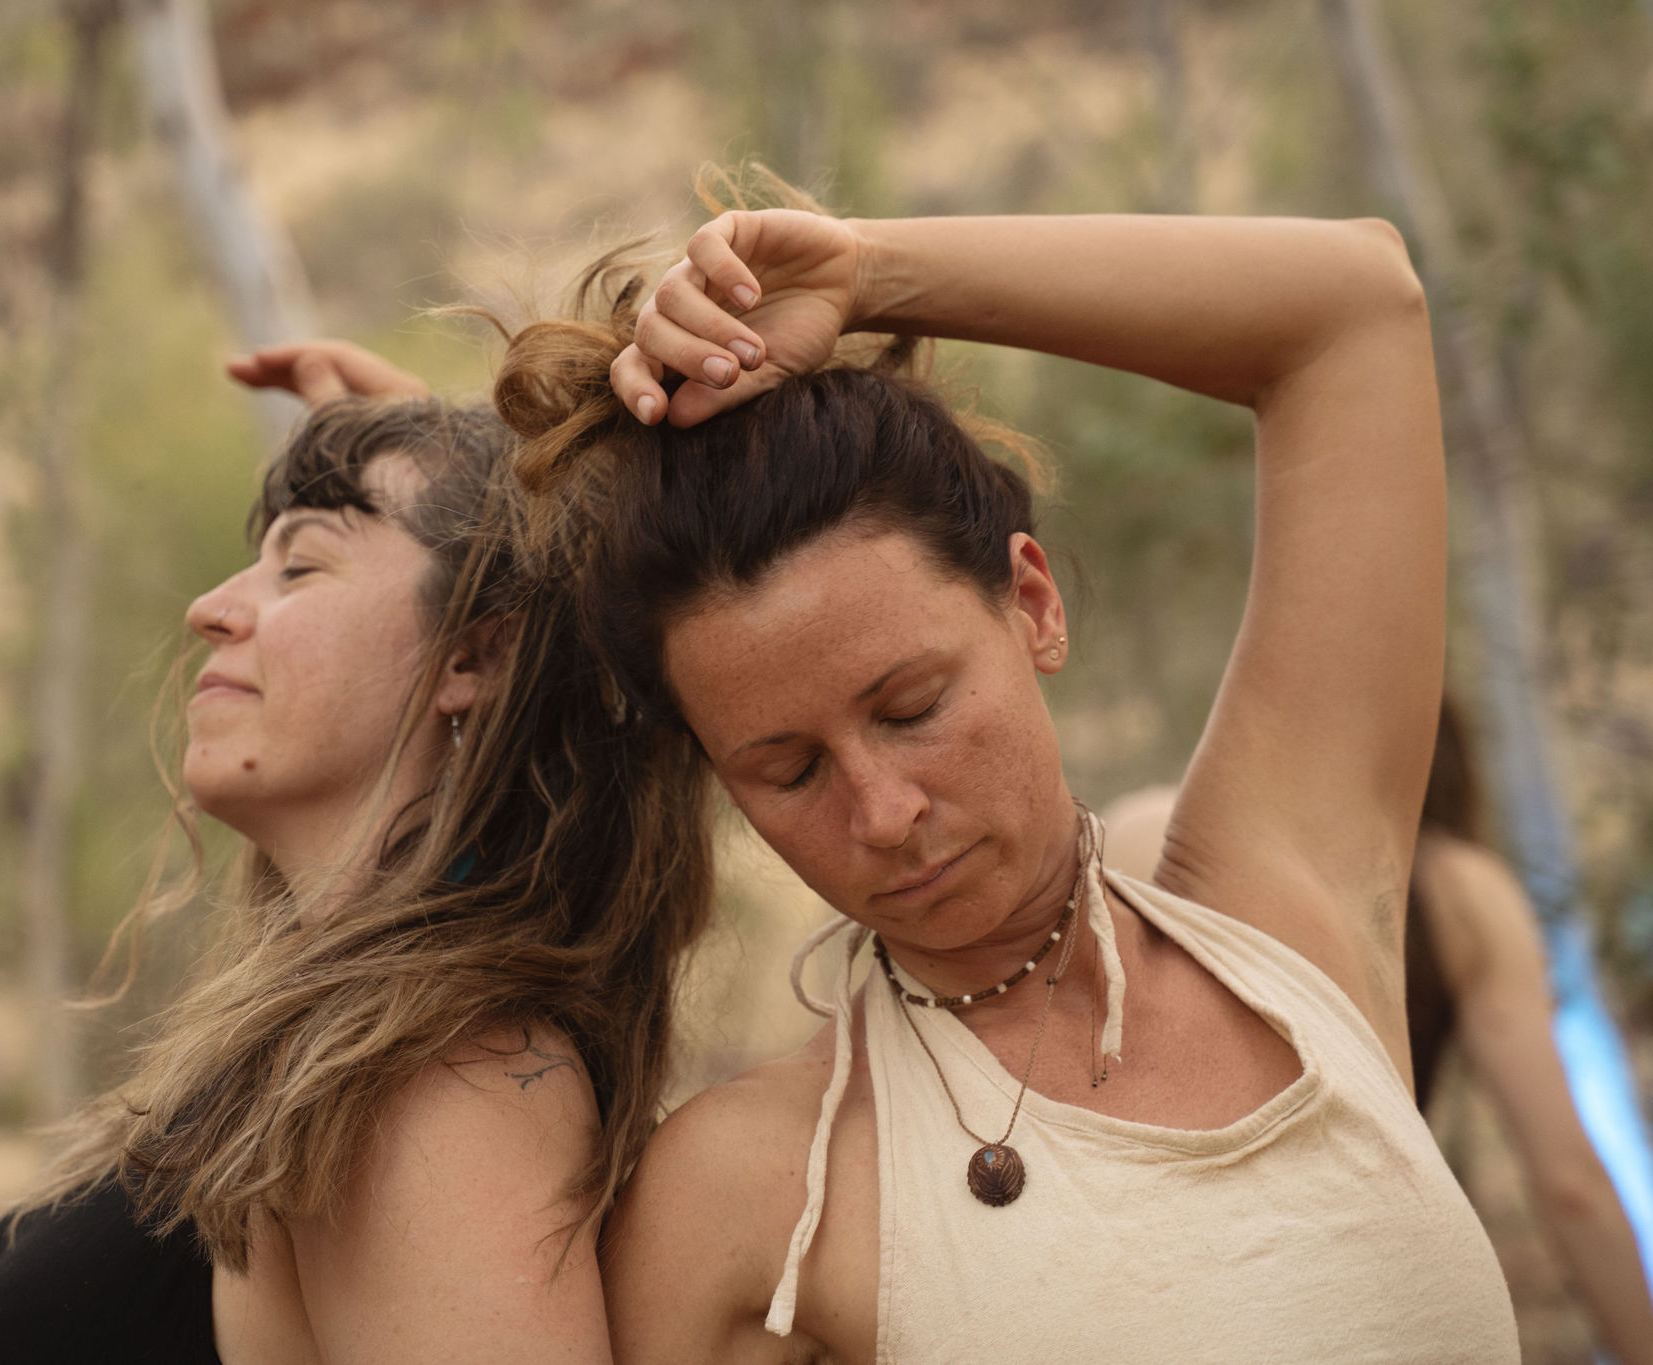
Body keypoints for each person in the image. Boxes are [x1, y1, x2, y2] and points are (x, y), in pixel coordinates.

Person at [495, 191, 1521, 1360]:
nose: (883, 815)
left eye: (913, 706)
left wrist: (867, 269)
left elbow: (1351, 306)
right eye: (784, 773)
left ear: (1030, 602)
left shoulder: (1289, 924)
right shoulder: (757, 1195)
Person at [0, 341, 714, 1365]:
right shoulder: (356, 1059)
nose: (210, 608)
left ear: (474, 654)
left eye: (298, 565)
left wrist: (474, 483)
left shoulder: (448, 1090)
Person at [1103, 701, 1653, 1364]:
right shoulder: (1462, 894)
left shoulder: (1143, 835)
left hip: (1164, 1297)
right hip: (1363, 1299)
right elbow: (1571, 1183)